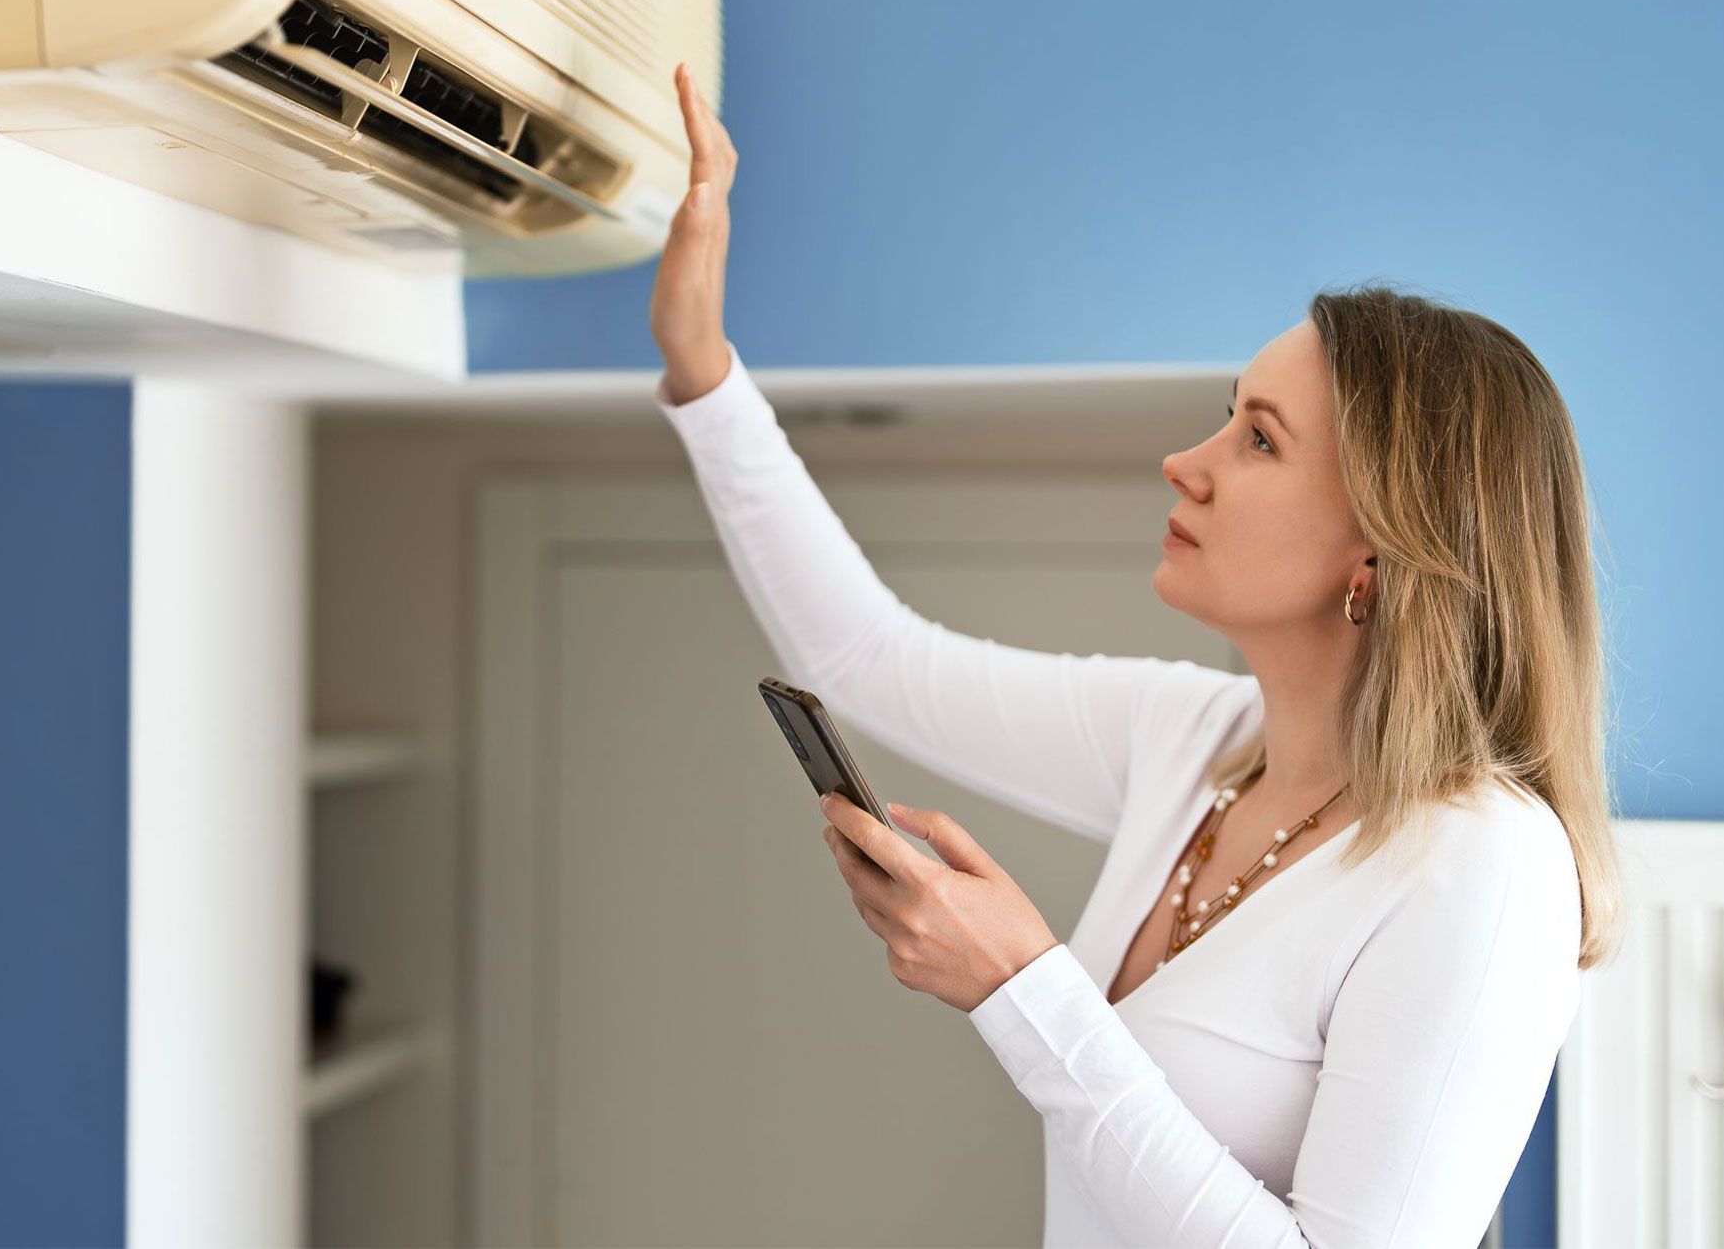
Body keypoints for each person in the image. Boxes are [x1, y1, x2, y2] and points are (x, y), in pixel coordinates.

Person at [648, 61, 1623, 1248]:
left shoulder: (1485, 867)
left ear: (1381, 549)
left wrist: (1024, 990)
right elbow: (865, 657)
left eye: (1257, 440)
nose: (1187, 460)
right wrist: (699, 361)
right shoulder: (1194, 742)